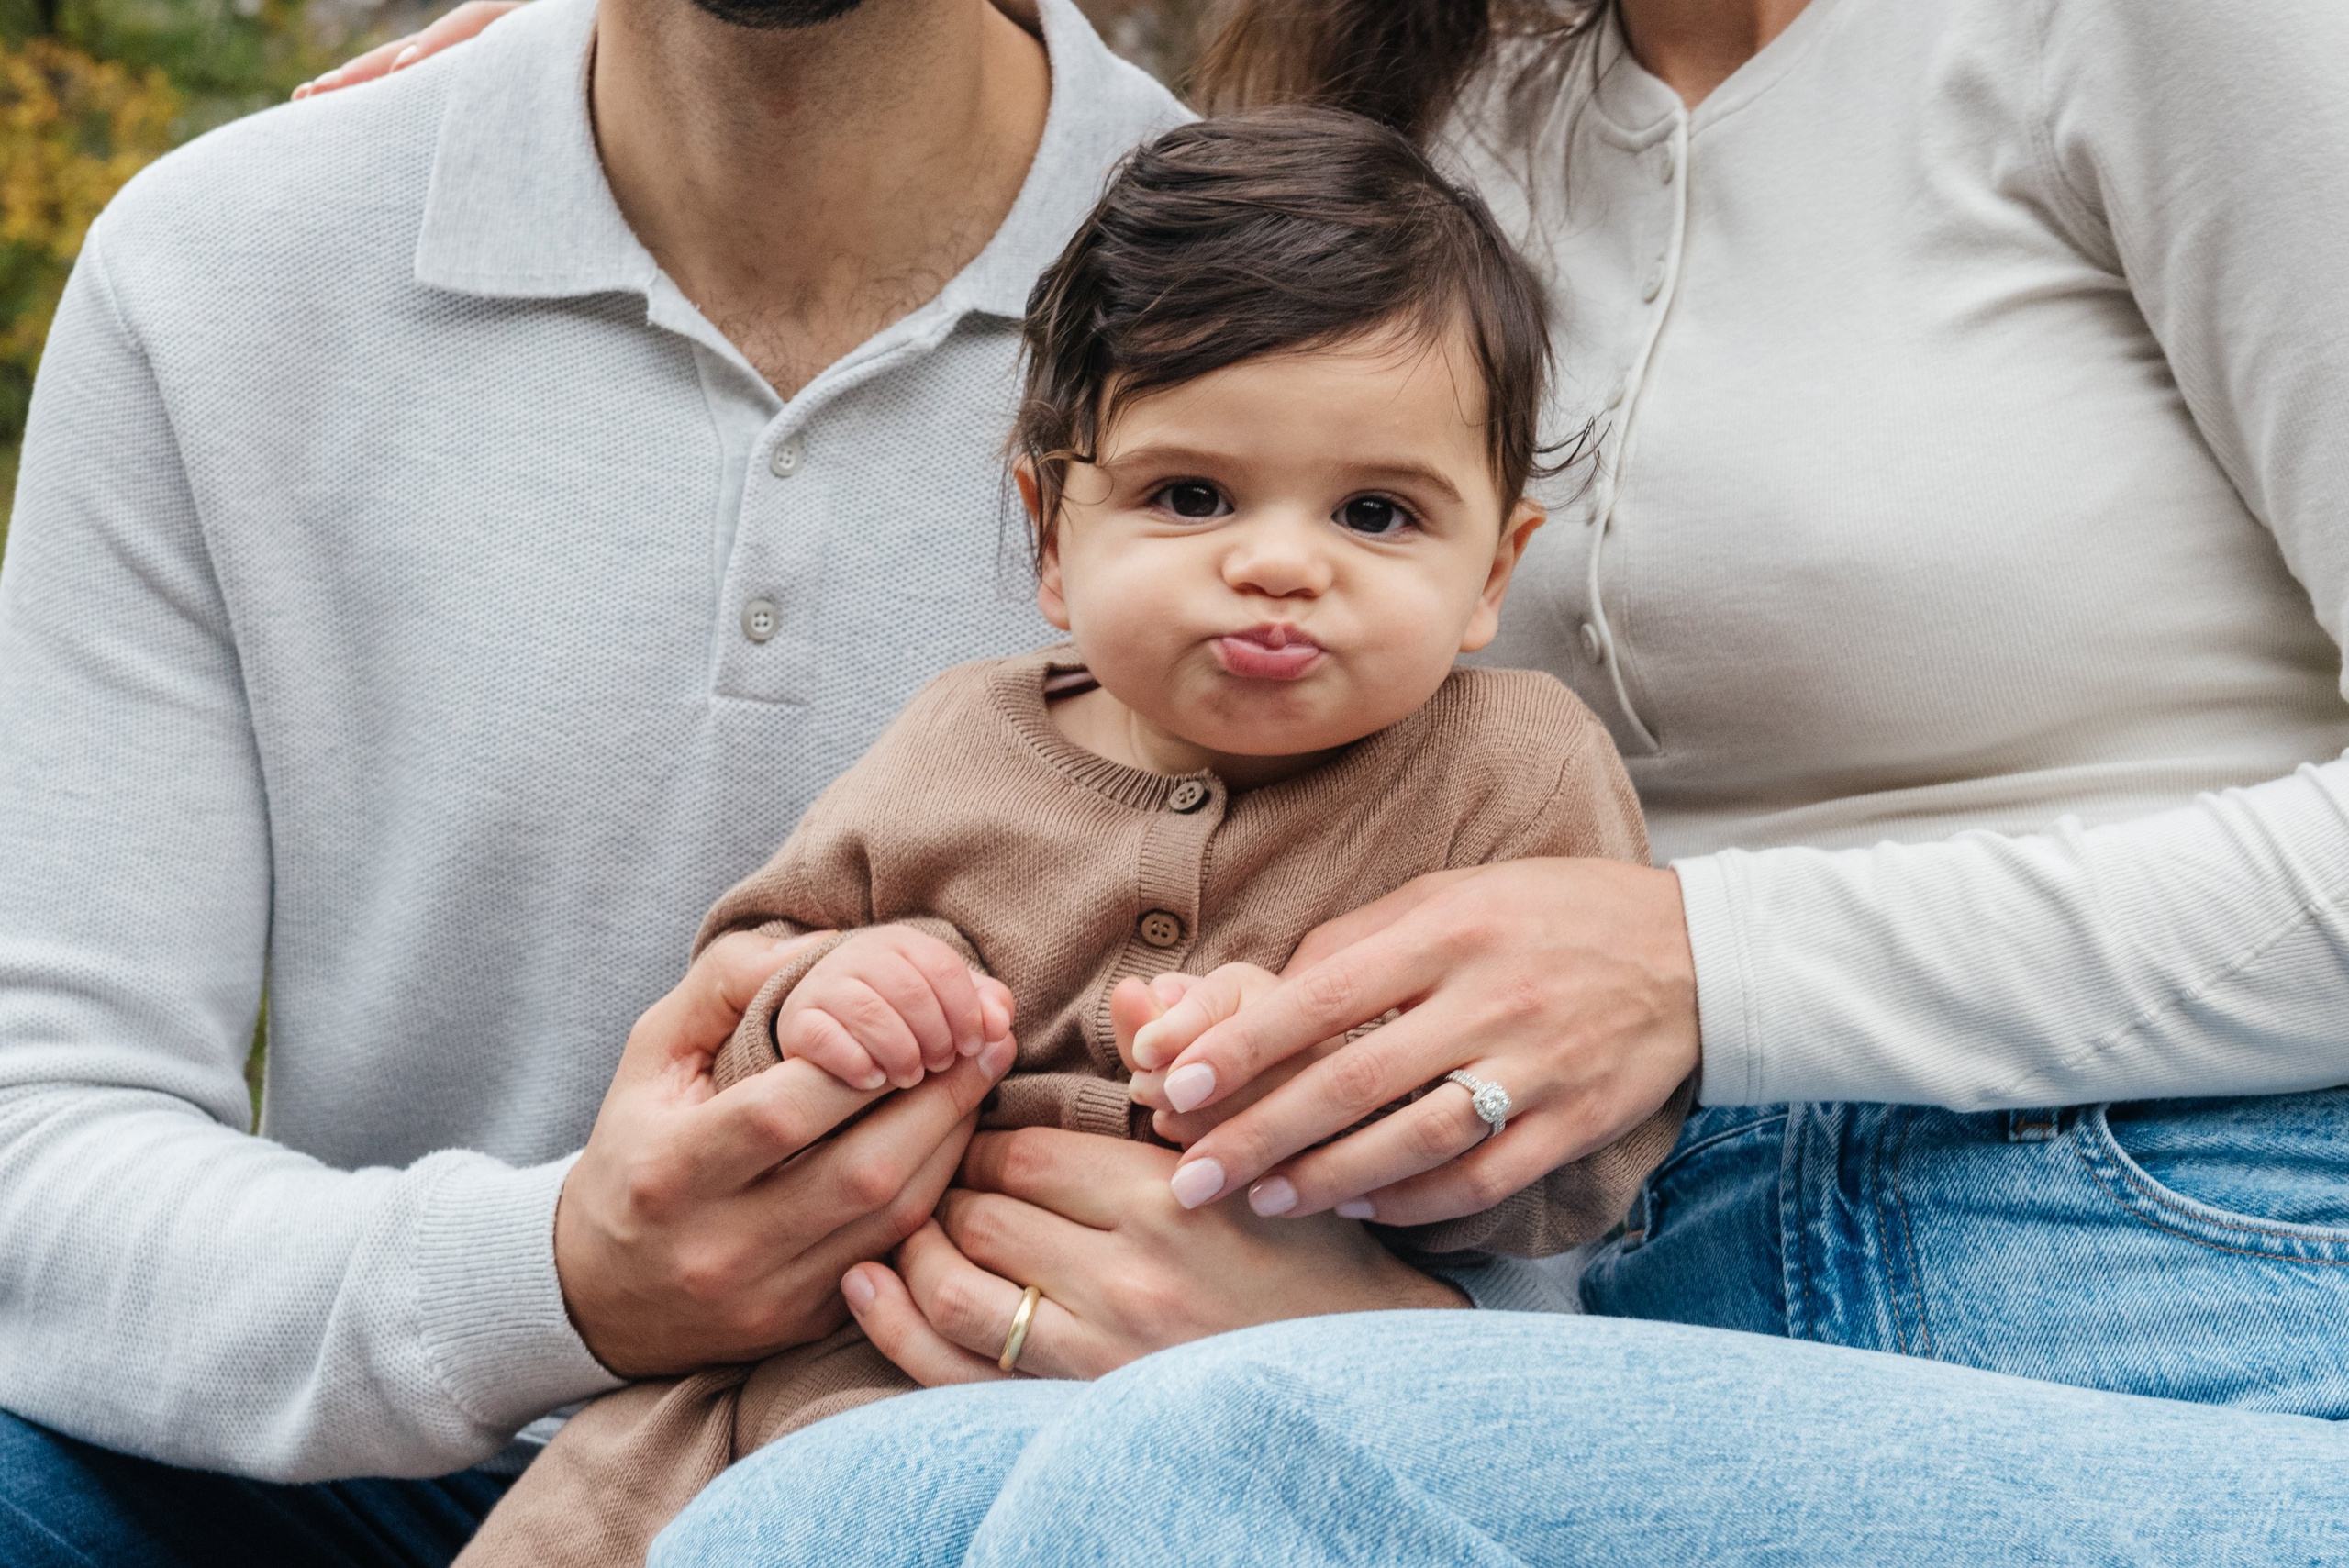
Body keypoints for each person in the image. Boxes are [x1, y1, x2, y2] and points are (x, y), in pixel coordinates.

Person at [0, 0, 1247, 1560]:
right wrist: (561, 1276)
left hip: (1013, 1475)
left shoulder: (1316, 303)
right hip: (373, 1460)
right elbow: (37, 1143)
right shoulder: (224, 263)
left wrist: (1341, 1333)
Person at [452, 108, 1687, 1567]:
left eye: (1375, 511)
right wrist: (835, 998)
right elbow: (739, 995)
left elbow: (1590, 1173)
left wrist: (1336, 1092)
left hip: (1234, 1447)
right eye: (1190, 495)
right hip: (782, 1403)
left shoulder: (1515, 771)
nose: (1279, 561)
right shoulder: (961, 737)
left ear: (1493, 570)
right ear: (1050, 534)